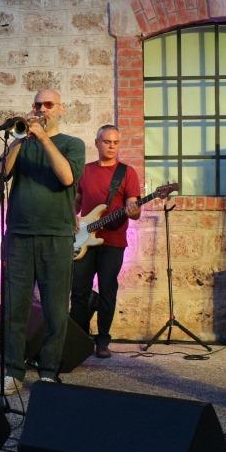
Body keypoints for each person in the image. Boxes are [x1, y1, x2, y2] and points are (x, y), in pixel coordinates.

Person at [0, 89, 85, 394]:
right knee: (14, 308)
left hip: (56, 237)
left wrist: (44, 138)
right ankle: (13, 372)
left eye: (48, 104)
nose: (42, 109)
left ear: (60, 109)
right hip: (19, 236)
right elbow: (1, 172)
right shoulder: (22, 144)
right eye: (37, 105)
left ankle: (48, 372)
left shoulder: (72, 144)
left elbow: (67, 178)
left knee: (55, 310)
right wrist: (19, 139)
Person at [69, 125, 141, 359]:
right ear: (97, 143)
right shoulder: (85, 171)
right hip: (84, 240)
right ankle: (78, 339)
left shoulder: (127, 173)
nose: (112, 146)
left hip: (113, 241)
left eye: (116, 142)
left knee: (108, 290)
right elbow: (76, 202)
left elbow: (134, 208)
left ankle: (102, 341)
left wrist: (133, 211)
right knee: (78, 291)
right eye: (107, 141)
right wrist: (71, 218)